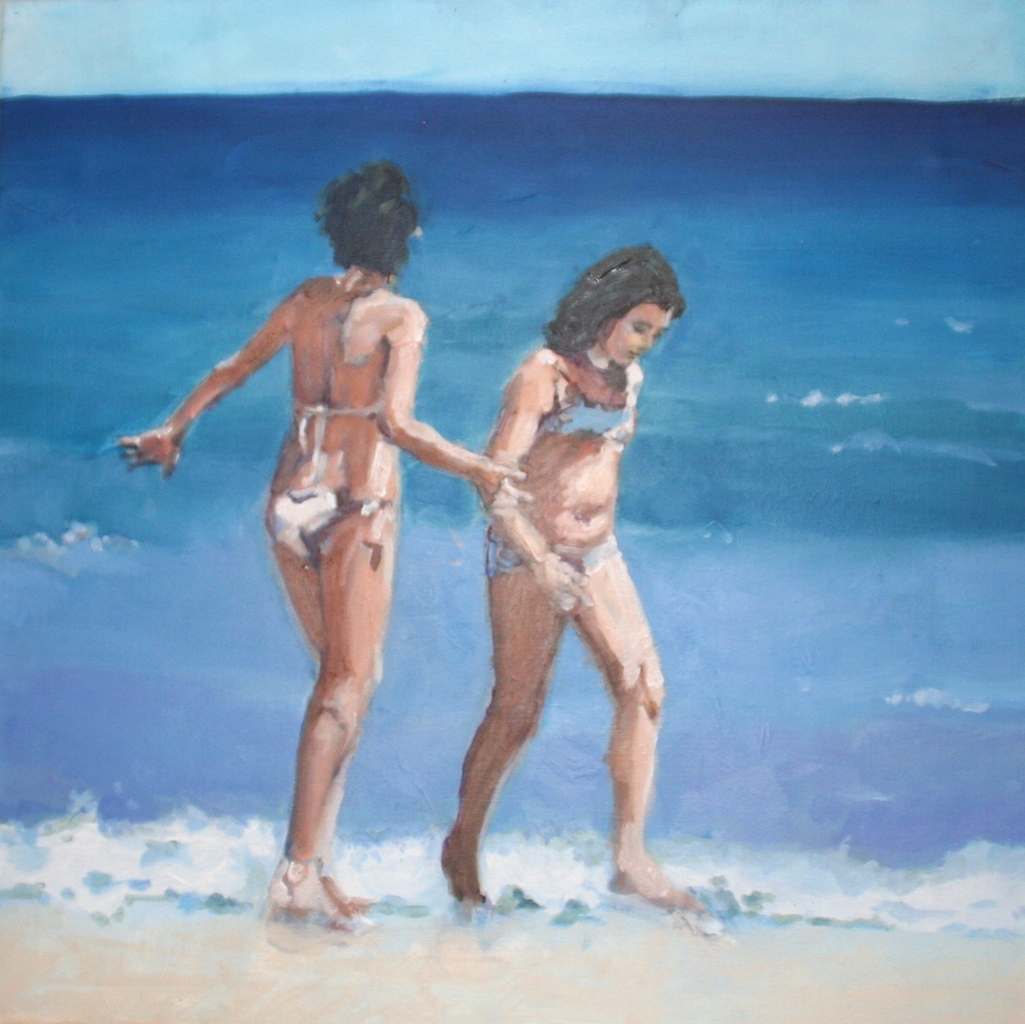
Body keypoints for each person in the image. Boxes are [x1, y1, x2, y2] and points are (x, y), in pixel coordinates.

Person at [121, 161, 514, 928]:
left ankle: (313, 865)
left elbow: (235, 367)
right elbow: (397, 424)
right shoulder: (401, 316)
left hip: (289, 501)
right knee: (345, 686)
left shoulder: (306, 300)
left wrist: (174, 428)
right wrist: (478, 468)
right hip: (357, 504)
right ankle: (298, 872)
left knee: (340, 683)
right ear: (400, 238)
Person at [441, 245, 719, 932]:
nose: (645, 343)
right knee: (516, 711)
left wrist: (578, 553)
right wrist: (540, 562)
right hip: (526, 554)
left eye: (655, 333)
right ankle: (462, 843)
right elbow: (496, 483)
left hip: (597, 554)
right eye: (639, 326)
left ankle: (630, 858)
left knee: (642, 686)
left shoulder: (630, 380)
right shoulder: (543, 374)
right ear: (605, 312)